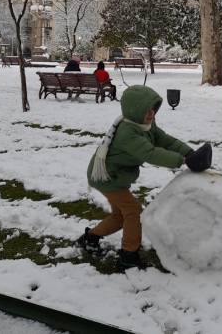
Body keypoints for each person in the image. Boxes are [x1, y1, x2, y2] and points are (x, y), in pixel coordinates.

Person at [77, 85, 211, 269]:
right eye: (146, 110)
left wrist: (189, 152)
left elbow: (165, 140)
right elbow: (150, 153)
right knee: (133, 212)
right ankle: (128, 256)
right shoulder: (128, 133)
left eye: (153, 109)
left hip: (115, 176)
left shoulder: (144, 124)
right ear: (134, 109)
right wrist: (183, 161)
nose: (151, 114)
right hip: (107, 177)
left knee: (120, 216)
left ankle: (90, 238)